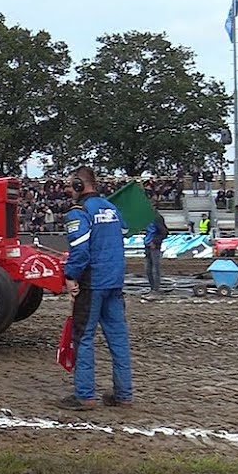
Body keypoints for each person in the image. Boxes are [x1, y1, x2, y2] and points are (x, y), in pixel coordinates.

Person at [60, 166, 135, 411]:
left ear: (81, 185)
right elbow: (124, 230)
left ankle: (85, 395)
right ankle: (123, 394)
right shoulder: (112, 208)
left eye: (71, 184)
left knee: (83, 338)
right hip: (115, 282)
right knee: (119, 340)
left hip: (92, 284)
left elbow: (80, 251)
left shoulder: (78, 213)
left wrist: (70, 276)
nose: (67, 189)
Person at [143, 211, 168, 294]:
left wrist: (155, 241)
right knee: (148, 269)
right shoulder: (146, 218)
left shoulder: (157, 218)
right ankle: (152, 287)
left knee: (155, 268)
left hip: (154, 246)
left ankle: (156, 288)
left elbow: (164, 232)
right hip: (148, 245)